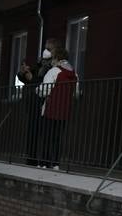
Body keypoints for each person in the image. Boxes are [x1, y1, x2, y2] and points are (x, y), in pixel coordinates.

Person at [38, 42, 77, 170]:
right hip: (64, 110)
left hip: (51, 108)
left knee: (46, 136)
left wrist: (37, 90)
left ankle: (44, 162)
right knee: (57, 137)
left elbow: (45, 90)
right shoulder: (74, 74)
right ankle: (55, 163)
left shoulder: (54, 71)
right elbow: (76, 93)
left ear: (56, 58)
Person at [17, 40, 55, 165]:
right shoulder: (40, 65)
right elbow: (26, 77)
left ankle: (46, 161)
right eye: (45, 48)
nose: (45, 51)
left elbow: (45, 84)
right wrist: (23, 73)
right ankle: (31, 159)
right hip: (33, 104)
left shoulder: (53, 67)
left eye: (48, 48)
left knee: (46, 134)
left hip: (46, 105)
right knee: (32, 133)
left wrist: (31, 79)